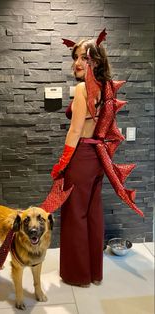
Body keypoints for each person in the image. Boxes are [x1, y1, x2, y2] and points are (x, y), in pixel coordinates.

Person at [50, 29, 143, 287]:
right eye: (76, 57)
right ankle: (93, 273)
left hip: (80, 157)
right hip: (97, 159)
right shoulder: (107, 90)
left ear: (96, 62)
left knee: (75, 214)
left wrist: (62, 163)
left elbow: (76, 129)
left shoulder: (82, 89)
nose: (77, 63)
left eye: (84, 58)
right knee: (92, 213)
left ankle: (77, 275)